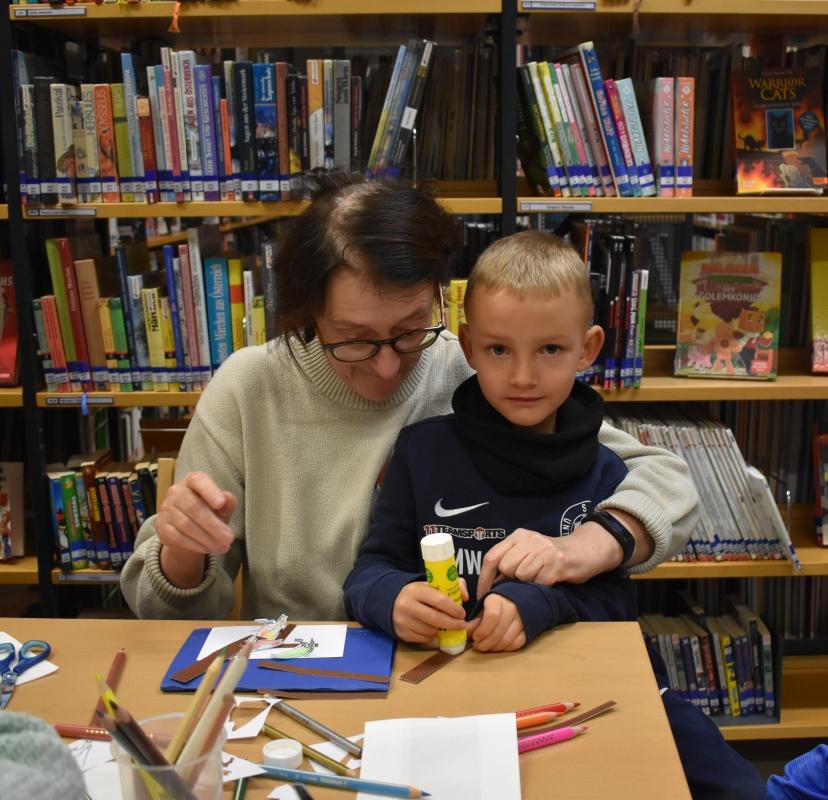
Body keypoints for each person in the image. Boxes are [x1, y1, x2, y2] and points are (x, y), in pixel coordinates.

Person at [120, 172, 697, 622]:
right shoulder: (250, 386)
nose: (389, 365)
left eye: (409, 329)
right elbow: (171, 613)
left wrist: (593, 542)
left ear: (442, 302)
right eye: (353, 340)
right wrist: (183, 556)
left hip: (450, 664)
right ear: (308, 316)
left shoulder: (476, 366)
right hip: (305, 673)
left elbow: (663, 479)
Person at [344, 231, 765, 800]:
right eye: (498, 350)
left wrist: (537, 603)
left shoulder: (608, 469)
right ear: (467, 348)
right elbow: (370, 569)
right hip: (453, 691)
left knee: (739, 789)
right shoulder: (421, 452)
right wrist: (392, 599)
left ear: (588, 349)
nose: (522, 377)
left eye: (550, 350)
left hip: (588, 687)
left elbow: (616, 602)